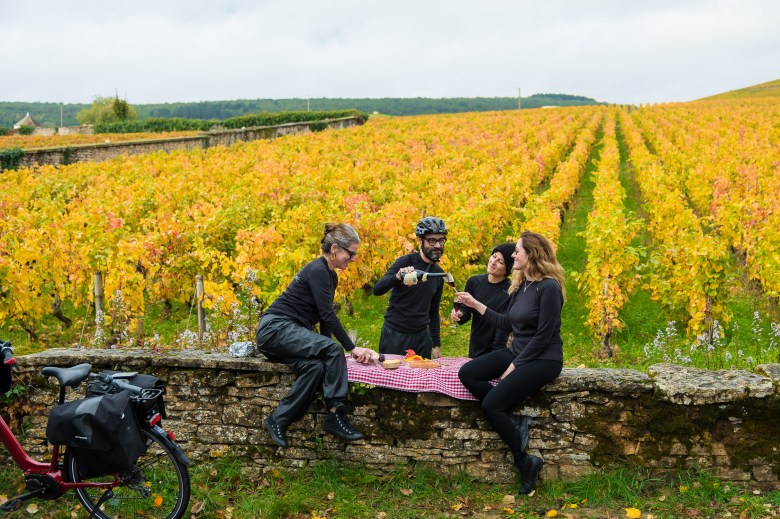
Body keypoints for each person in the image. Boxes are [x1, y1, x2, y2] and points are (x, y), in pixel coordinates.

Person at [456, 231, 565, 495]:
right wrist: (475, 304)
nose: (512, 255)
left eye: (517, 251)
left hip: (544, 358)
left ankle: (525, 462)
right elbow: (507, 323)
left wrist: (514, 366)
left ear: (532, 254)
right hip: (518, 351)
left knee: (492, 404)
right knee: (468, 372)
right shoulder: (521, 285)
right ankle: (512, 421)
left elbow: (543, 337)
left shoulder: (549, 287)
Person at [255, 223, 375, 449]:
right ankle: (336, 414)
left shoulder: (331, 276)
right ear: (334, 249)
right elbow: (328, 314)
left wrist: (329, 348)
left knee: (316, 367)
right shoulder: (317, 270)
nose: (353, 259)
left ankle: (278, 419)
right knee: (332, 349)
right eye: (350, 253)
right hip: (275, 329)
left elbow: (323, 318)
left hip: (288, 332)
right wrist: (351, 348)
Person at [372, 216, 447, 359]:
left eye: (441, 240)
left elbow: (433, 310)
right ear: (420, 241)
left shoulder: (438, 273)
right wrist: (397, 277)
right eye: (432, 240)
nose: (438, 245)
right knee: (392, 373)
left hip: (422, 337)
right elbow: (377, 290)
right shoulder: (405, 262)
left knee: (422, 374)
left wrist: (436, 344)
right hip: (395, 335)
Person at [451, 243, 514, 358]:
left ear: (508, 268)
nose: (493, 262)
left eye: (500, 262)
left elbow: (503, 328)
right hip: (475, 347)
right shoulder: (474, 282)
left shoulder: (511, 290)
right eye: (494, 256)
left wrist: (496, 356)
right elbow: (466, 310)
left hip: (496, 350)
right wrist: (459, 314)